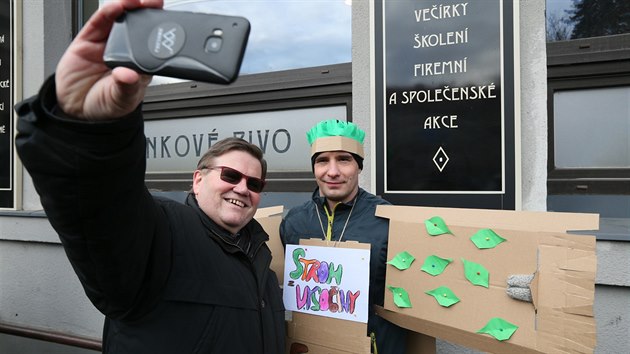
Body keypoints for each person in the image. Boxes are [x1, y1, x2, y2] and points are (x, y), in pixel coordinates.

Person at [14, 0, 284, 353]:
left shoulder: (261, 258)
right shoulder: (161, 233)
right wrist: (87, 129)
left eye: (255, 183)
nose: (242, 188)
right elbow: (99, 199)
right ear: (198, 180)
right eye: (231, 175)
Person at [280, 119, 408, 353]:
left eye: (343, 159)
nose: (332, 171)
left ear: (358, 166)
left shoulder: (388, 220)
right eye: (322, 161)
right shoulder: (293, 222)